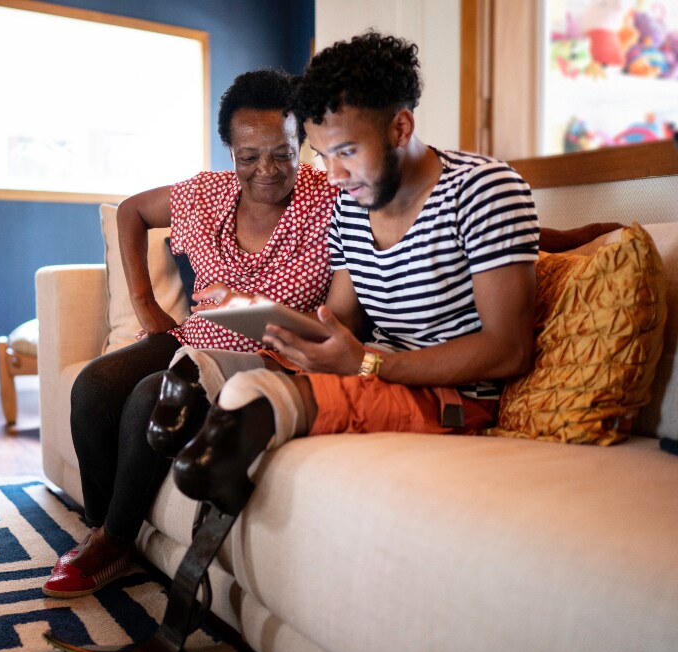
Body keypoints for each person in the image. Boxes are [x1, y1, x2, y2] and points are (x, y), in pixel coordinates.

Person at [167, 32, 544, 515]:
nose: (333, 176)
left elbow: (509, 349)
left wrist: (369, 364)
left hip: (450, 396)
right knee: (194, 370)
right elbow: (341, 318)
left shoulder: (485, 190)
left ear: (401, 128)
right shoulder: (351, 205)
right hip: (374, 367)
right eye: (322, 156)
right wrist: (267, 319)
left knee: (248, 404)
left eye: (346, 151)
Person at [41, 68, 337, 598]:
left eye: (283, 153)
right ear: (230, 152)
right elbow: (131, 211)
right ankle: (109, 528)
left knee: (147, 398)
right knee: (92, 388)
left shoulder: (331, 201)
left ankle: (112, 541)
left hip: (267, 358)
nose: (266, 170)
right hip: (193, 337)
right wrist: (143, 302)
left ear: (303, 144)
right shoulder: (206, 194)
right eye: (249, 157)